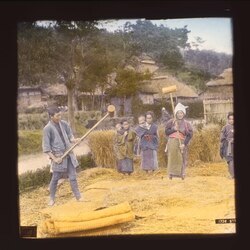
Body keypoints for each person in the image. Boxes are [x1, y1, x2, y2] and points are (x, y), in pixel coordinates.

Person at [42, 106, 84, 206]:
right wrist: (55, 158)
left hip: (69, 155)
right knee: (55, 178)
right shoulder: (47, 129)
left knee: (73, 177)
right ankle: (52, 198)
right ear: (51, 116)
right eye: (57, 115)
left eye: (60, 114)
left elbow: (70, 136)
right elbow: (46, 148)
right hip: (58, 157)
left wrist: (75, 140)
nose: (60, 117)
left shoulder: (64, 124)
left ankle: (78, 197)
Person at [165, 103, 193, 180]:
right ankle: (171, 173)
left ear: (184, 113)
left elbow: (190, 135)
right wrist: (174, 129)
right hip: (172, 142)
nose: (180, 115)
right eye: (178, 113)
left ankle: (182, 173)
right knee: (172, 157)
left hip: (182, 143)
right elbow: (166, 132)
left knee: (182, 157)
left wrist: (184, 144)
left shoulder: (187, 124)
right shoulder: (171, 122)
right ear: (176, 113)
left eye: (181, 113)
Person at [220, 112, 234, 179]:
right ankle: (231, 175)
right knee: (230, 161)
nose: (231, 120)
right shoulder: (225, 128)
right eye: (230, 119)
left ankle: (232, 175)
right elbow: (222, 138)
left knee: (232, 161)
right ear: (228, 120)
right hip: (228, 147)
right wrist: (228, 140)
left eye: (233, 119)